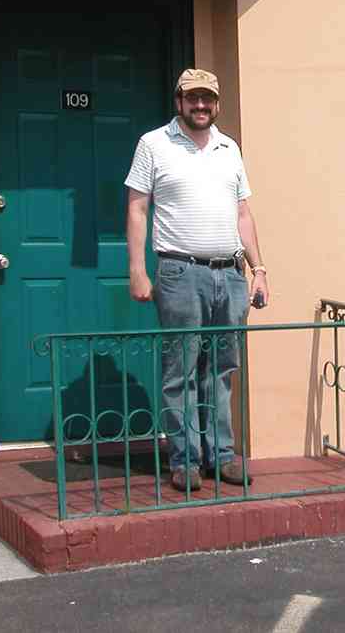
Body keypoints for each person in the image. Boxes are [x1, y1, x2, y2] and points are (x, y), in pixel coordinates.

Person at [125, 69, 269, 491]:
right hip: (179, 272)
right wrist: (137, 269)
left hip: (231, 274)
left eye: (208, 98)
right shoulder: (153, 144)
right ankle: (185, 459)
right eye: (193, 98)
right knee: (181, 372)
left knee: (223, 369)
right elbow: (137, 208)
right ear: (179, 102)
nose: (201, 105)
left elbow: (243, 213)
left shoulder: (229, 148)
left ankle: (221, 455)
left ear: (217, 104)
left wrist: (259, 269)